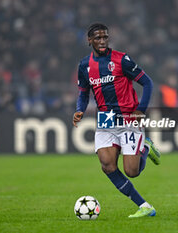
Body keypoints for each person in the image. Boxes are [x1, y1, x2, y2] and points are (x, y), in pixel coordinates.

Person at [72, 23, 161, 218]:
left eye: (105, 37)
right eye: (98, 38)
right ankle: (144, 206)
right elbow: (83, 93)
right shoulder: (84, 65)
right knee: (107, 165)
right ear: (89, 41)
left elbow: (147, 82)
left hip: (128, 118)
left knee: (132, 171)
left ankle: (145, 147)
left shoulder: (122, 60)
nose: (102, 41)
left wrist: (141, 110)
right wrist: (79, 110)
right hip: (105, 120)